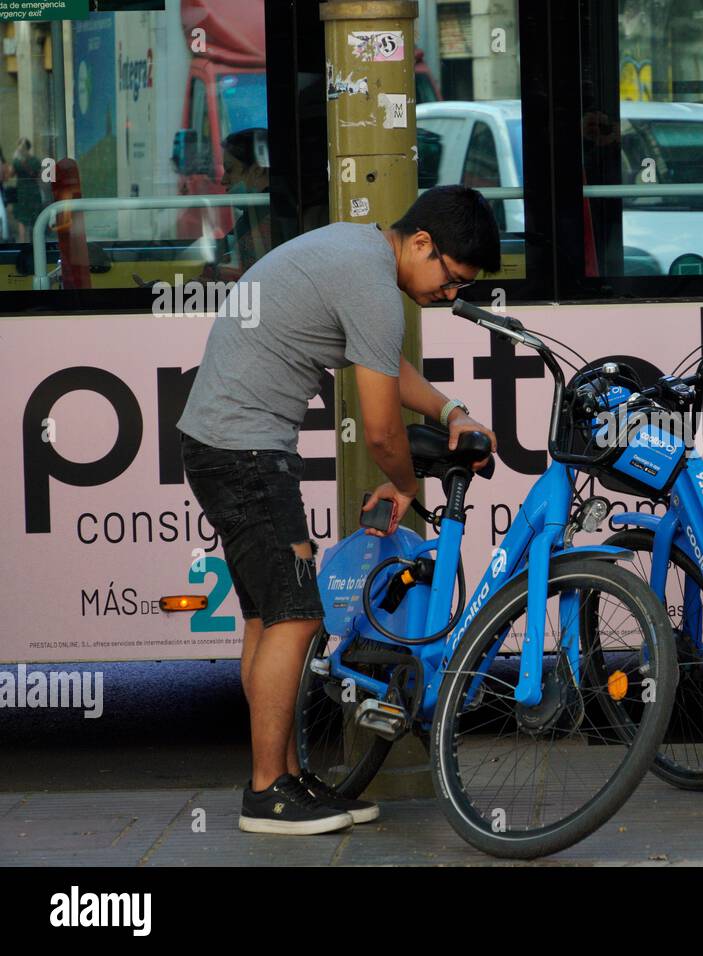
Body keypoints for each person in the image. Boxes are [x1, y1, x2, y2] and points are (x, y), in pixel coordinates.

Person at [176, 185, 501, 835]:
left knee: (271, 618)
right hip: (245, 453)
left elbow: (387, 369)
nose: (449, 296)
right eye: (450, 279)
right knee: (296, 617)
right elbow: (381, 430)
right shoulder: (374, 285)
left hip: (223, 444)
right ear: (420, 244)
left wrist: (449, 411)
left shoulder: (357, 254)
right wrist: (408, 487)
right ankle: (268, 791)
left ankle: (286, 777)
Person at [216, 127, 273, 274]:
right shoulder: (253, 215)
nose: (223, 180)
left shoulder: (267, 222)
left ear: (257, 171)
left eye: (230, 170)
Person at [11, 138, 46, 244]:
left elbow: (11, 174)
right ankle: (35, 243)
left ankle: (23, 244)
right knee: (35, 219)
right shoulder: (35, 160)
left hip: (22, 192)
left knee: (22, 221)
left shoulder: (17, 161)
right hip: (33, 192)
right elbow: (39, 177)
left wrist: (15, 160)